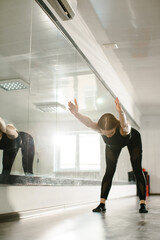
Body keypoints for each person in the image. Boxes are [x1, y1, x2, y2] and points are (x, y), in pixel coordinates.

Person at [68, 97, 148, 213]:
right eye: (105, 134)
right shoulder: (100, 129)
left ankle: (142, 204)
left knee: (137, 169)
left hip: (133, 140)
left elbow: (124, 123)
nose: (108, 136)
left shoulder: (123, 129)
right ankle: (102, 204)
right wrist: (76, 113)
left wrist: (120, 112)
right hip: (113, 147)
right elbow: (89, 123)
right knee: (109, 171)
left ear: (116, 126)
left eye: (110, 133)